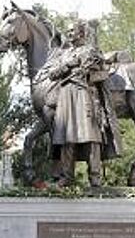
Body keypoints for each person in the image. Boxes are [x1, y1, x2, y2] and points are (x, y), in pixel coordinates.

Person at [47, 20, 121, 187]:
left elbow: (102, 71)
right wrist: (69, 65)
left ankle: (95, 176)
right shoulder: (63, 54)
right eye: (68, 31)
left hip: (84, 92)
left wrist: (87, 69)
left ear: (81, 33)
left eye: (72, 30)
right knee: (66, 137)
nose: (69, 33)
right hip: (66, 95)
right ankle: (67, 176)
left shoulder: (90, 50)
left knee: (91, 136)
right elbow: (52, 75)